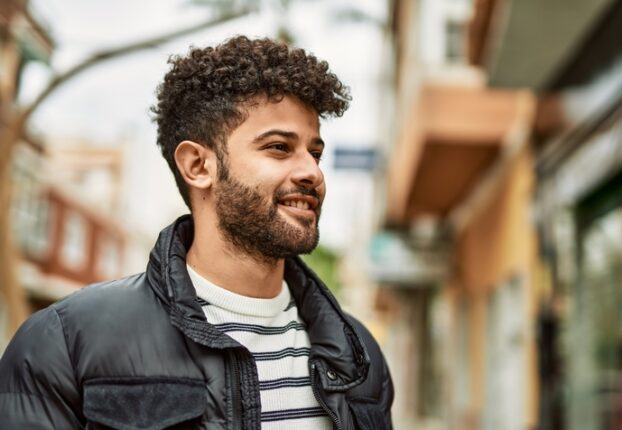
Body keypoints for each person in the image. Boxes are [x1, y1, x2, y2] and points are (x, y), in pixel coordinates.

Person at [0, 36, 393, 429]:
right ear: (198, 165)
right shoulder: (63, 344)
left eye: (315, 152)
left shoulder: (357, 355)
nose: (313, 172)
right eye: (278, 147)